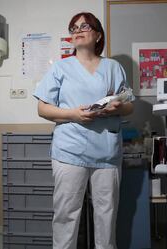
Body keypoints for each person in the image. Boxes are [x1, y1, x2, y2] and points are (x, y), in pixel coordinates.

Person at [33, 12, 134, 249]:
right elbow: (42, 108)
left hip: (107, 153)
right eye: (73, 28)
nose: (78, 30)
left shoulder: (114, 67)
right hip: (70, 152)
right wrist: (74, 114)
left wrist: (117, 108)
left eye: (85, 26)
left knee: (106, 216)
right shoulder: (60, 68)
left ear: (98, 34)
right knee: (66, 215)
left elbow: (129, 104)